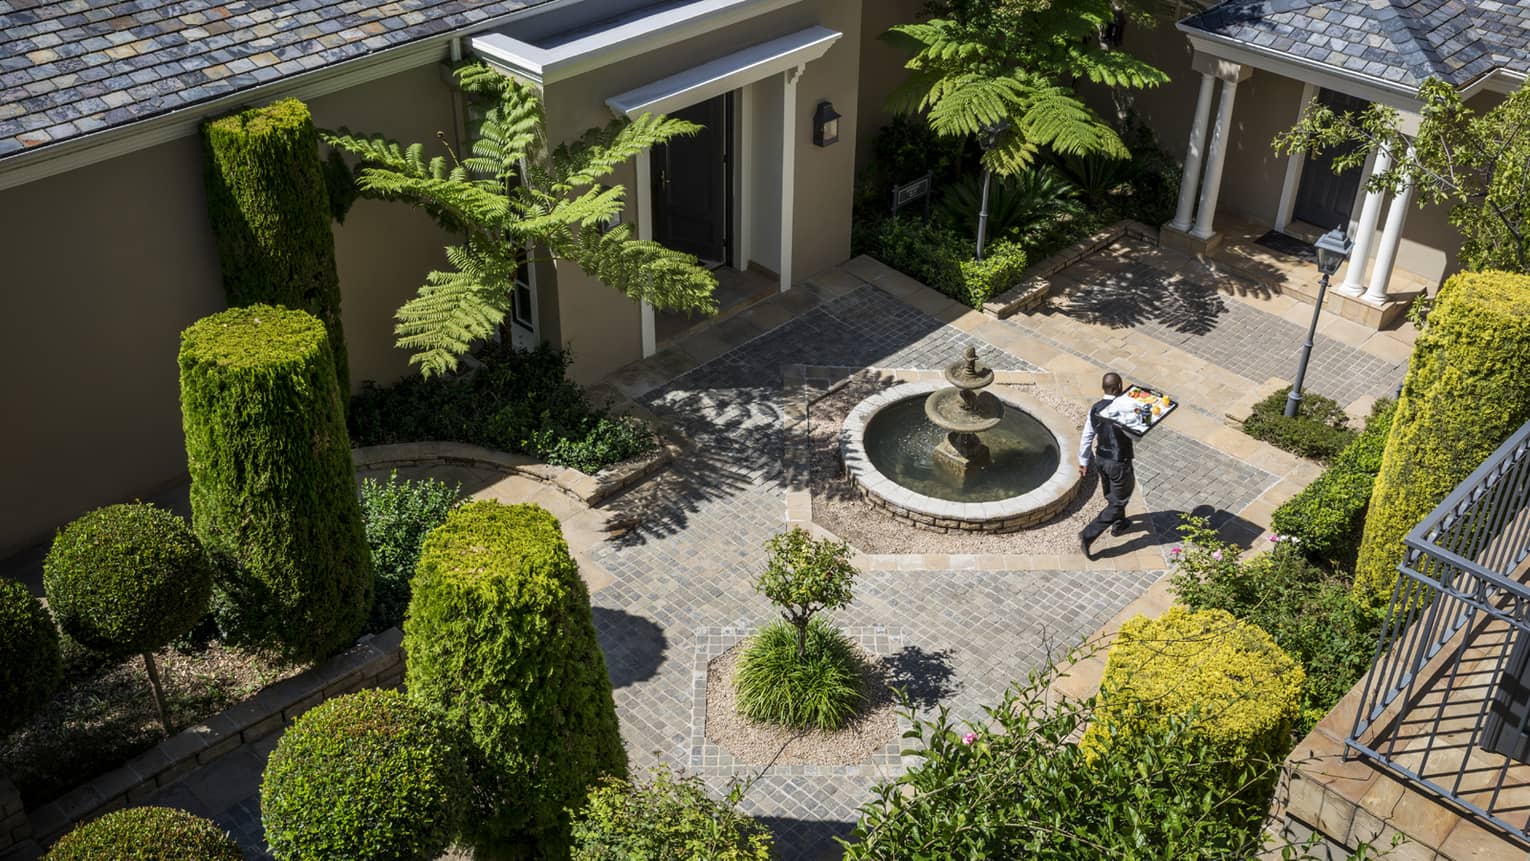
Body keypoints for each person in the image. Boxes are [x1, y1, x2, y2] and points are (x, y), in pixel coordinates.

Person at [1078, 372, 1135, 560]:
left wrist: (1083, 461)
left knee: (1112, 494)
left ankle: (1119, 525)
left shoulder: (1095, 408)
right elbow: (1136, 436)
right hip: (1119, 462)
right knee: (1118, 502)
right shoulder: (1125, 409)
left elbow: (1087, 436)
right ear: (1119, 387)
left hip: (1101, 459)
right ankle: (1088, 534)